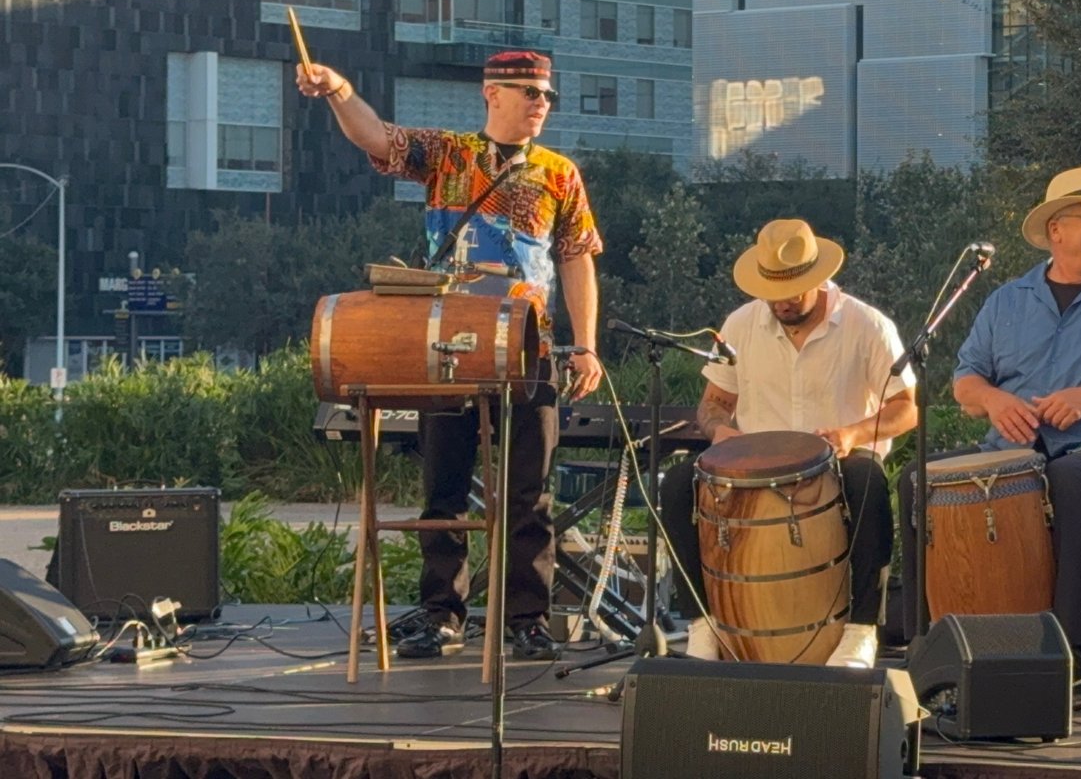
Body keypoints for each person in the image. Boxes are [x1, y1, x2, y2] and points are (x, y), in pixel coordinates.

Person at [298, 50, 605, 662]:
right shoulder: (448, 155)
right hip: (447, 343)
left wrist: (587, 344)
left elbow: (576, 256)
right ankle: (443, 613)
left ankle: (527, 619)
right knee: (443, 488)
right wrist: (338, 88)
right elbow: (375, 135)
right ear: (493, 93)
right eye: (528, 91)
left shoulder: (558, 172)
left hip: (529, 345)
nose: (541, 102)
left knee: (530, 492)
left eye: (547, 94)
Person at [922, 166, 1081, 692]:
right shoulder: (1006, 301)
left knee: (1069, 479)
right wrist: (995, 401)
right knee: (916, 480)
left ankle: (1077, 658)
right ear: (1056, 229)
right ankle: (936, 646)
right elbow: (965, 379)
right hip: (1011, 452)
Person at [658, 218, 917, 669]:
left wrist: (852, 434)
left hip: (836, 466)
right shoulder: (740, 324)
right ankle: (703, 626)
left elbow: (907, 409)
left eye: (794, 289)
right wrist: (721, 433)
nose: (782, 300)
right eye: (773, 290)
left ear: (818, 279)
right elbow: (713, 403)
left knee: (869, 478)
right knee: (678, 482)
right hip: (752, 473)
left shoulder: (867, 324)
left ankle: (860, 631)